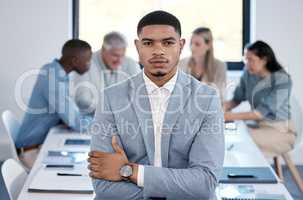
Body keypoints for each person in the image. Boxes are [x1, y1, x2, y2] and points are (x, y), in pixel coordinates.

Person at [88, 10, 224, 200]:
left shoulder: (206, 99)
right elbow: (103, 185)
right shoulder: (111, 98)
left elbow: (205, 183)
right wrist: (179, 190)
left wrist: (129, 171)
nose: (158, 51)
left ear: (181, 45)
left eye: (168, 43)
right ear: (137, 46)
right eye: (148, 43)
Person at [16, 39, 93, 167]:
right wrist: (103, 123)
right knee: (82, 167)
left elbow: (67, 114)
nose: (90, 64)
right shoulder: (54, 81)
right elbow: (75, 122)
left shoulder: (52, 70)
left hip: (38, 144)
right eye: (88, 60)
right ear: (75, 61)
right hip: (31, 152)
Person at [224, 40, 296, 157]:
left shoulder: (282, 79)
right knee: (233, 135)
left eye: (251, 60)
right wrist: (217, 108)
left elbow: (260, 113)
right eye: (245, 59)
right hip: (259, 125)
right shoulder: (248, 73)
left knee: (242, 141)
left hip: (281, 130)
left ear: (264, 60)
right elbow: (236, 100)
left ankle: (252, 173)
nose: (247, 64)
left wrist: (228, 116)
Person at [71, 31, 141, 110]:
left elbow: (139, 95)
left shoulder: (131, 64)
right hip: (90, 117)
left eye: (122, 55)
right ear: (103, 50)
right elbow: (83, 100)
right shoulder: (85, 63)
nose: (120, 61)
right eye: (115, 55)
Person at [178, 27, 227, 101]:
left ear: (208, 45)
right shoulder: (182, 63)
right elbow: (179, 93)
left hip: (210, 109)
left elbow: (220, 96)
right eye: (191, 43)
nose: (192, 48)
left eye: (197, 44)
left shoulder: (220, 66)